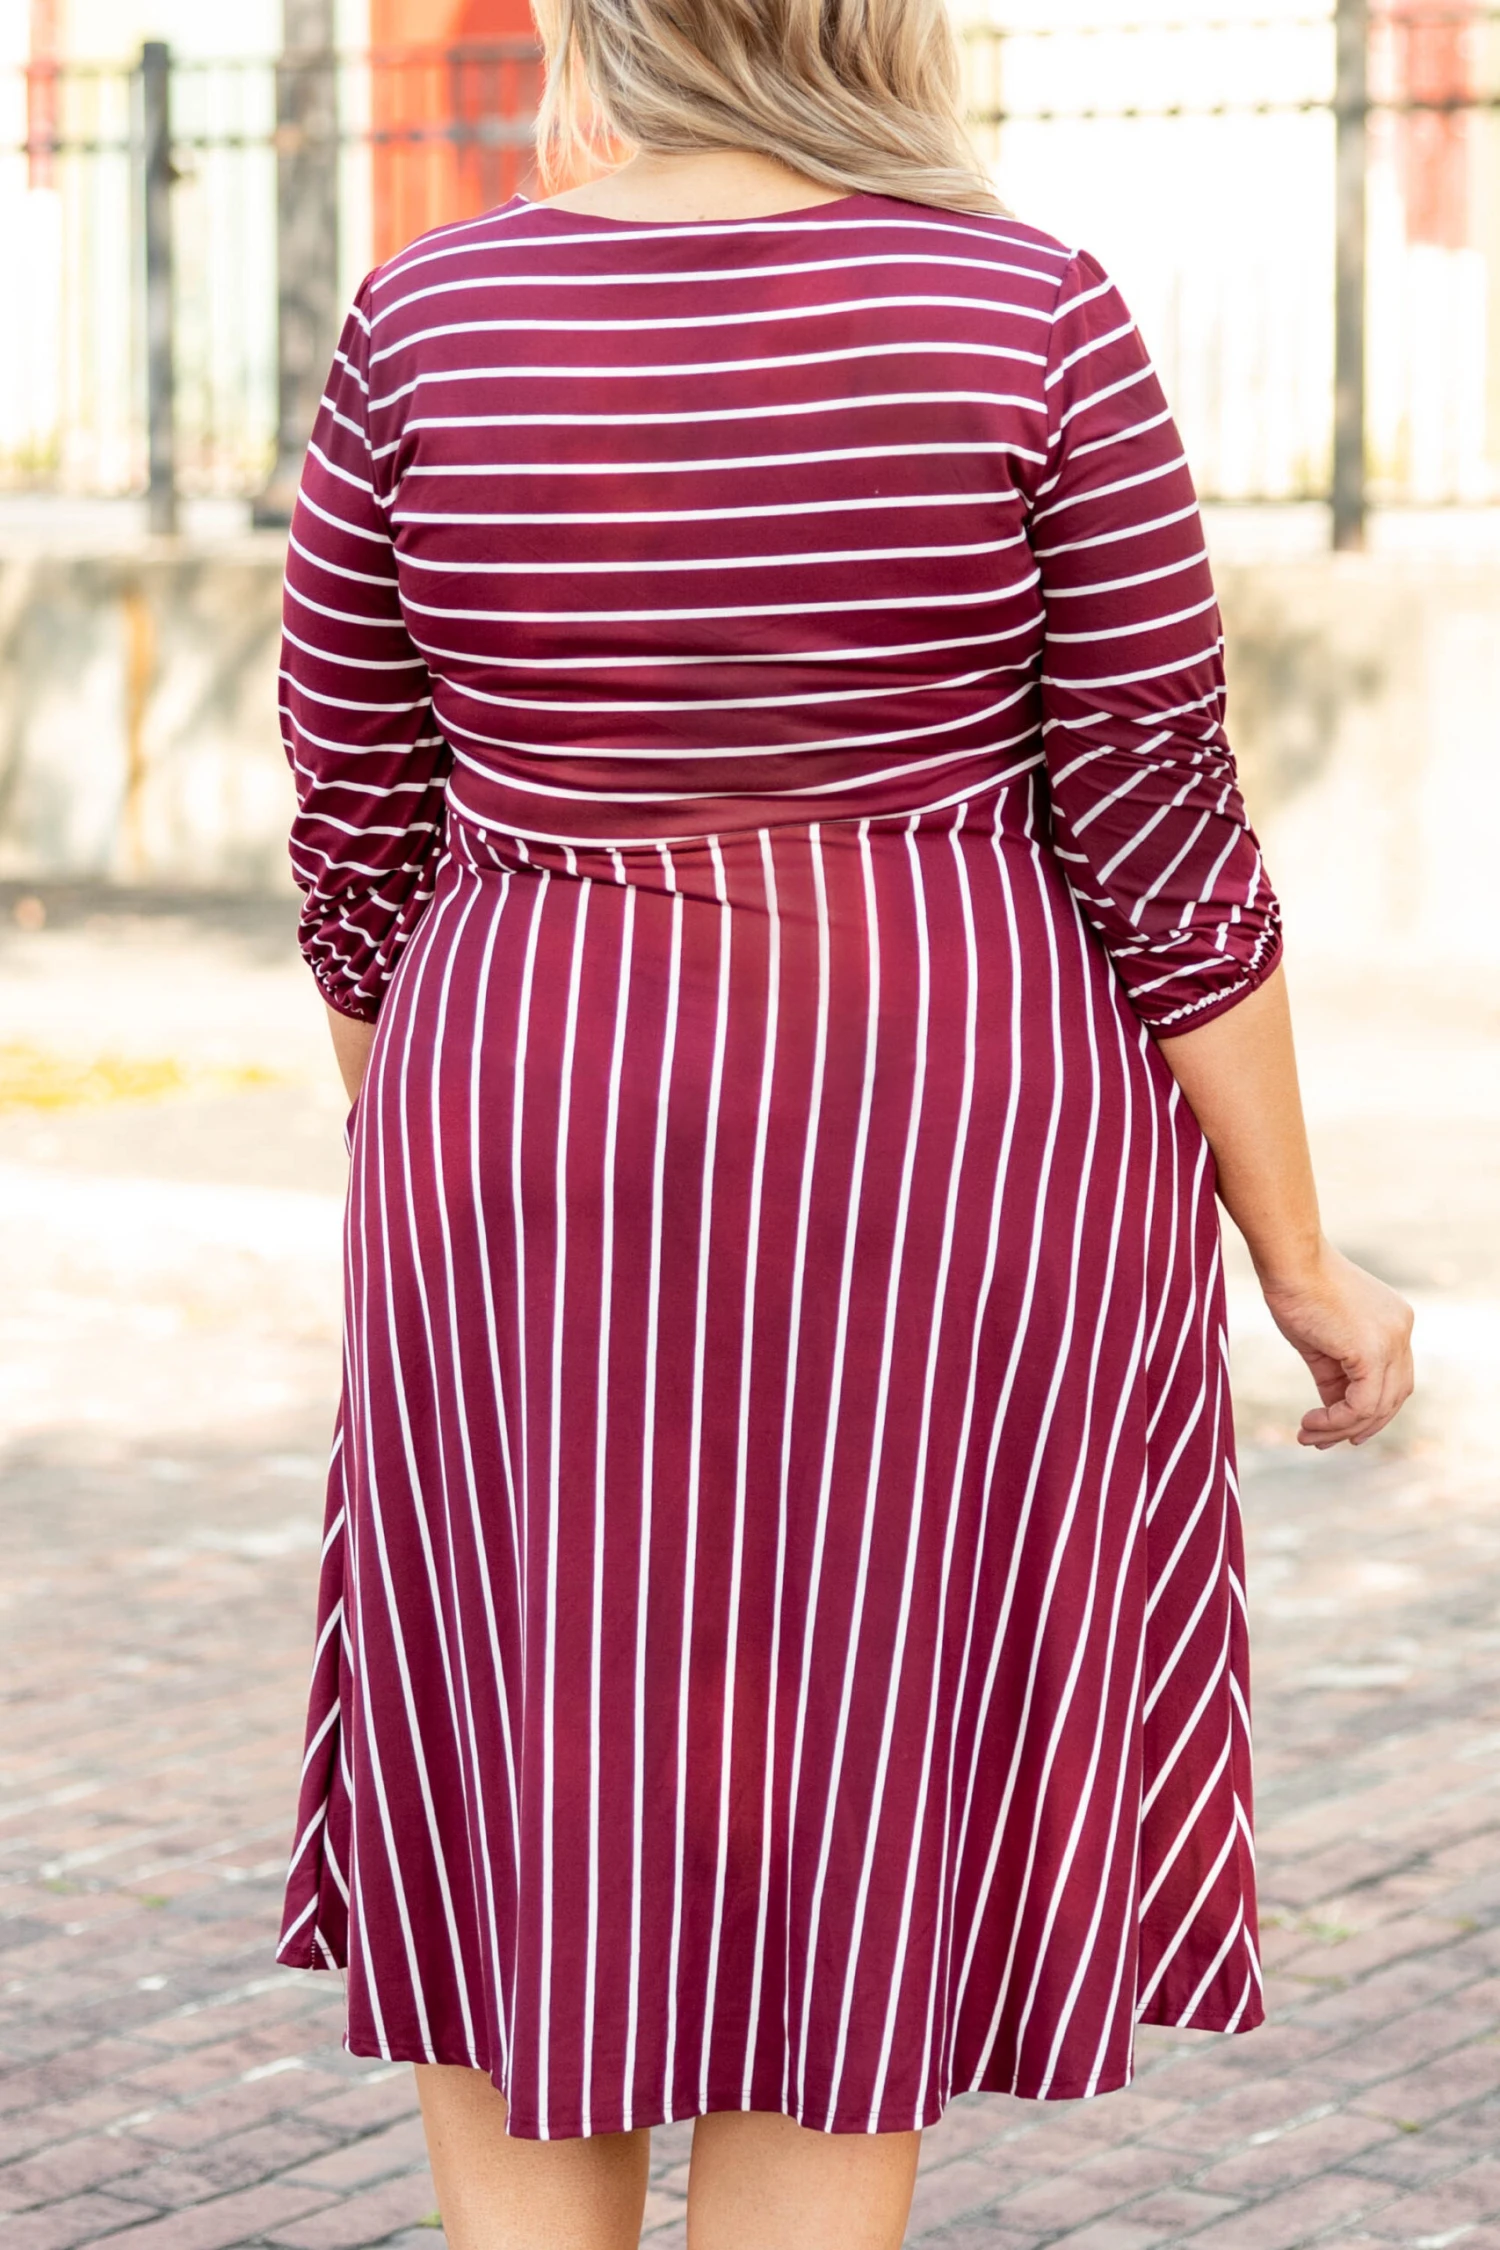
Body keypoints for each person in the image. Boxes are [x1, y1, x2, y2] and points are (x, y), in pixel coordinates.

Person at [272, 1, 1415, 2243]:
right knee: (848, 1787)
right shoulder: (1027, 310)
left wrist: (445, 1161)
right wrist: (1299, 1258)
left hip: (520, 1099)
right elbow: (1161, 831)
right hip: (938, 1139)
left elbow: (356, 826)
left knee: (534, 1755)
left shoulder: (424, 319)